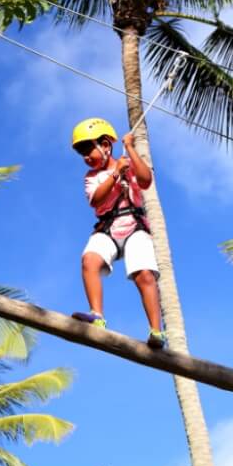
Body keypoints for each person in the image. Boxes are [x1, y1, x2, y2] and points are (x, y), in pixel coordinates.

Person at [70, 117, 166, 349]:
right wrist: (115, 175)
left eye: (87, 149)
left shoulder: (127, 163)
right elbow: (96, 200)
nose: (85, 157)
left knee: (144, 275)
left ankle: (156, 331)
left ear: (105, 145)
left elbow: (145, 180)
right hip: (108, 228)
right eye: (81, 152)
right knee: (89, 259)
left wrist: (131, 149)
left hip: (134, 227)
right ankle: (97, 315)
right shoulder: (92, 177)